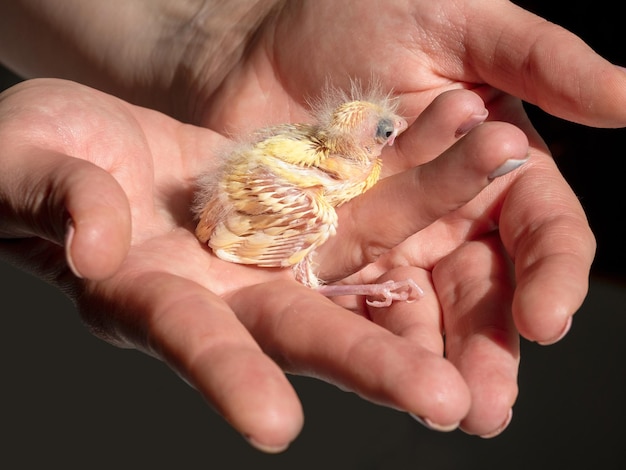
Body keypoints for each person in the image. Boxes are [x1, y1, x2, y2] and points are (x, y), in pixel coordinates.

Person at [0, 0, 615, 453]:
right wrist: (220, 33)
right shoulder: (322, 186)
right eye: (383, 134)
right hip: (269, 213)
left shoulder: (329, 156)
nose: (391, 138)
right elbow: (281, 233)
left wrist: (214, 40)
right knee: (317, 237)